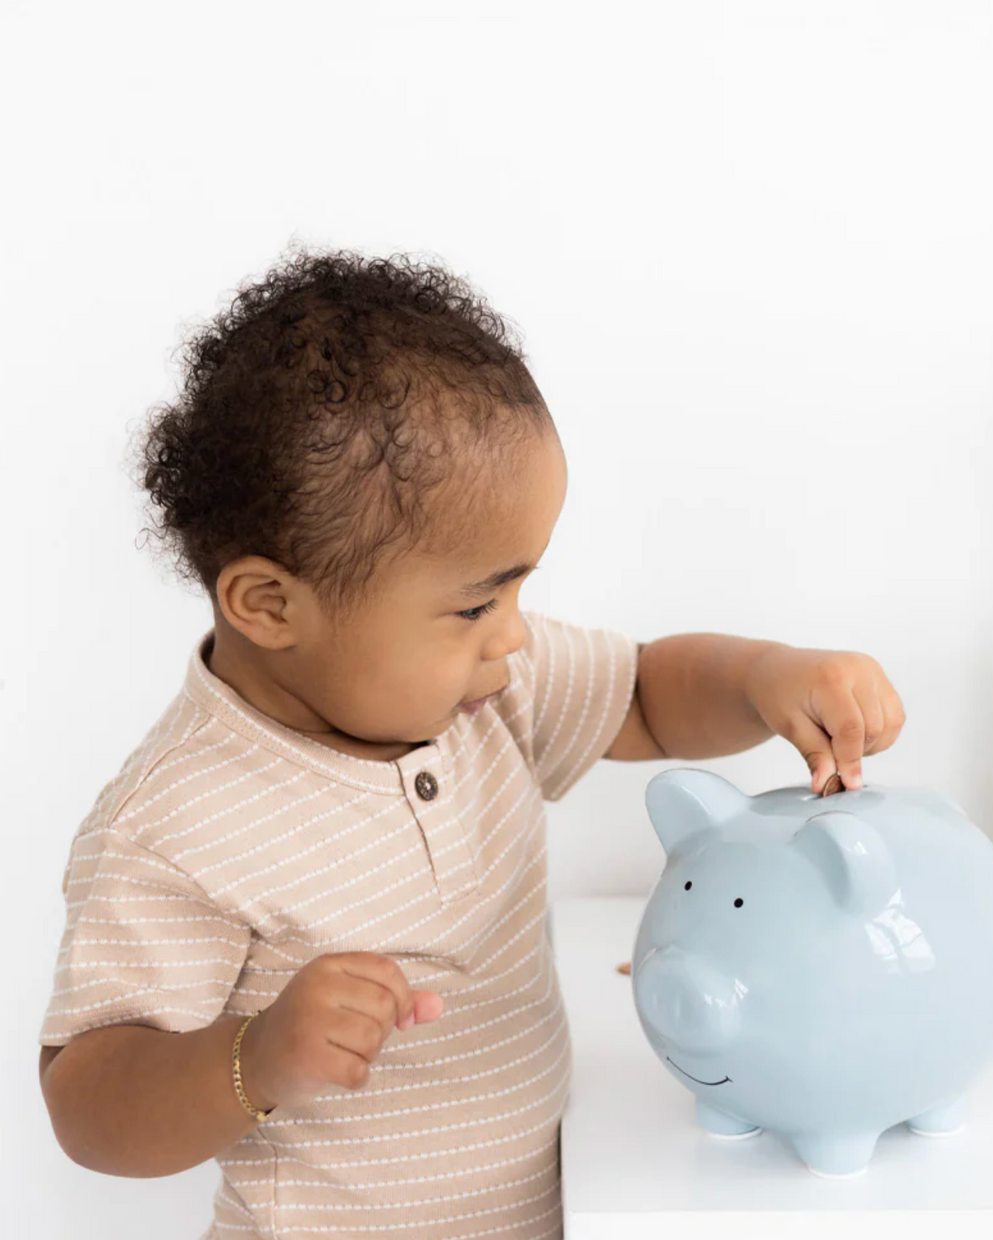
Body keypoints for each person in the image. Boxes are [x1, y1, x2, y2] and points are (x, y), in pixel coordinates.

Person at [38, 244, 905, 1239]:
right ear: (269, 603)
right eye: (473, 604)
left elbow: (647, 694)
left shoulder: (489, 690)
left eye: (519, 587)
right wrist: (256, 1055)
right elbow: (89, 1103)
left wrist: (763, 677)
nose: (514, 631)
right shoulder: (176, 824)